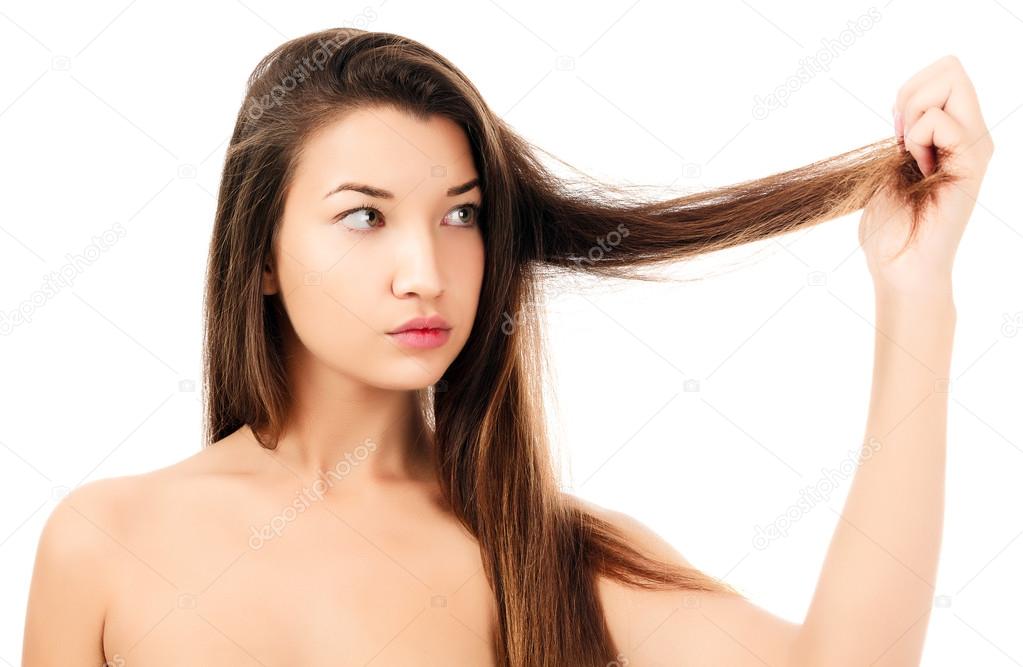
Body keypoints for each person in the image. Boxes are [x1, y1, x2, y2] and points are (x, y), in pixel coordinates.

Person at [22, 28, 993, 666]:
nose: (425, 270)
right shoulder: (104, 544)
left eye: (461, 215)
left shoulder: (543, 554)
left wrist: (918, 294)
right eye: (364, 217)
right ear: (262, 255)